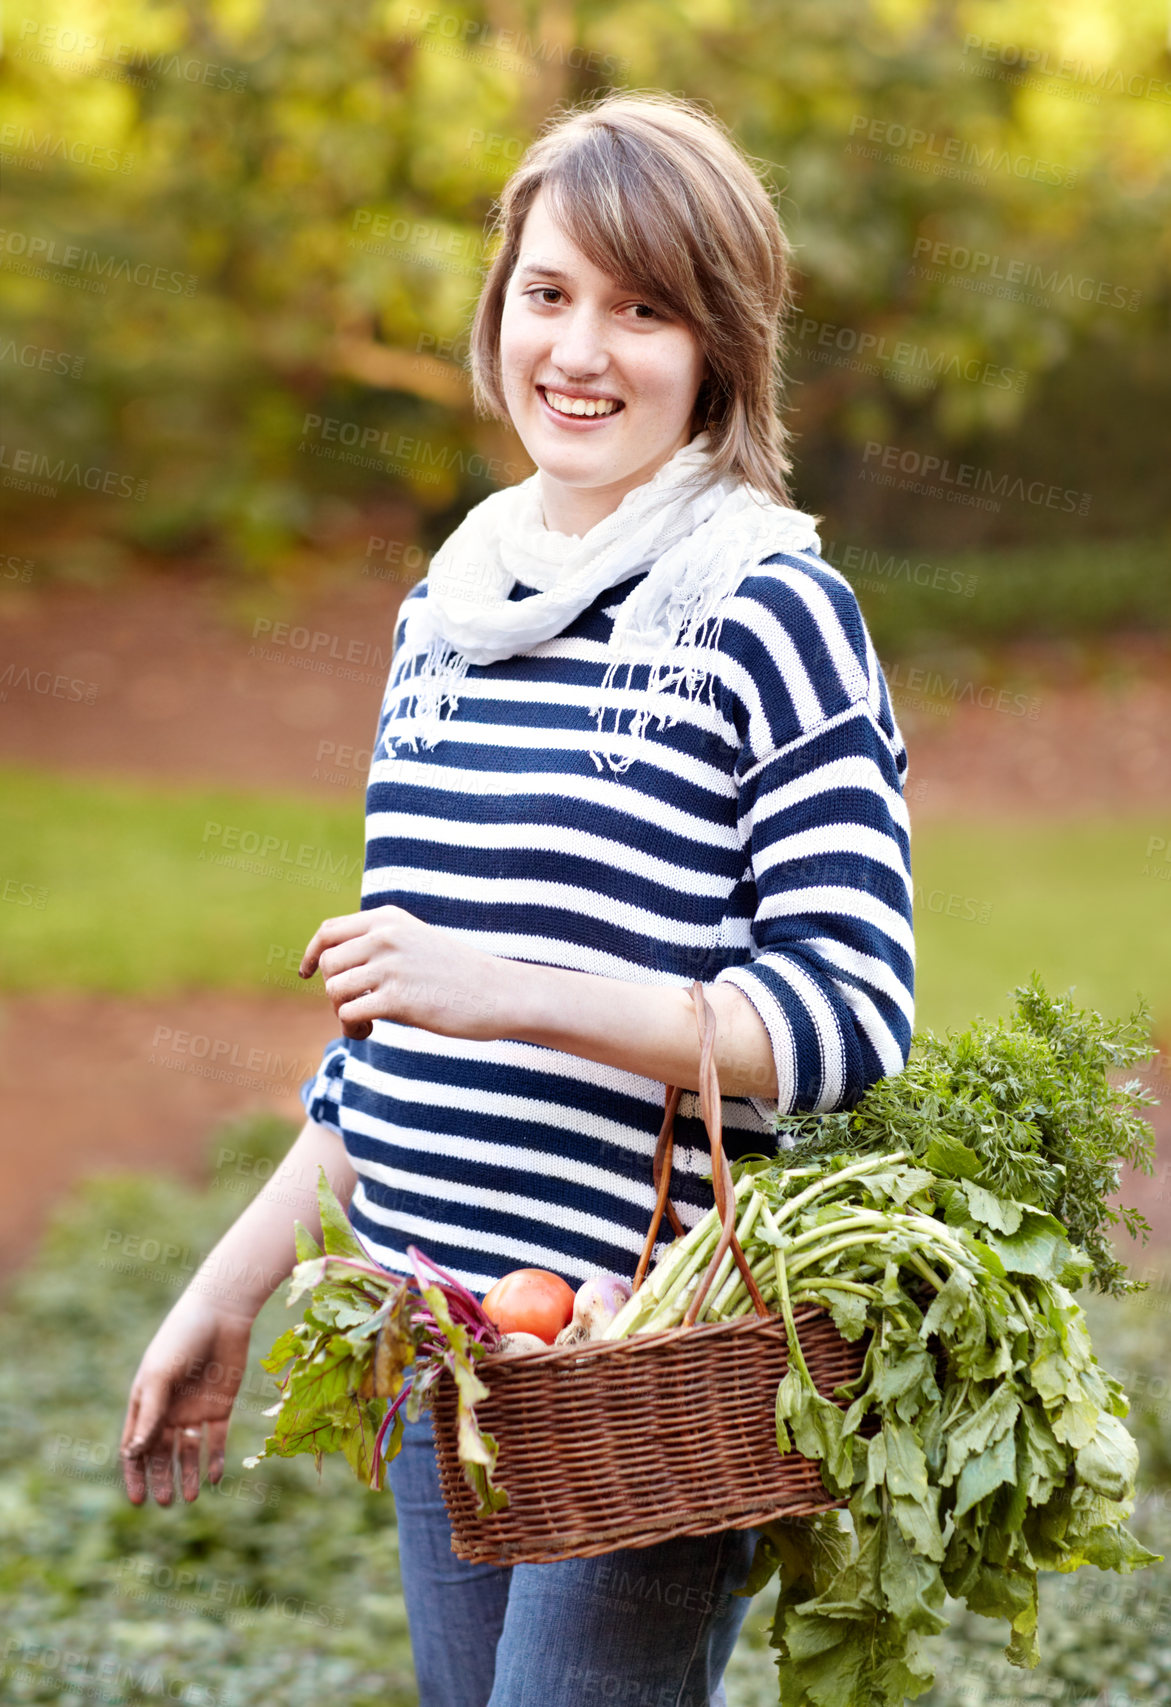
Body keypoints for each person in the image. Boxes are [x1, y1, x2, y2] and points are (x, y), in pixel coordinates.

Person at [120, 89, 915, 1707]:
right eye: (550, 293)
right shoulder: (451, 609)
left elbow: (850, 1016)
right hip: (447, 1343)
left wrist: (511, 986)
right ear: (499, 311)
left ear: (720, 350)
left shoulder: (770, 610)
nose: (581, 349)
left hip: (639, 1355)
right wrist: (229, 1286)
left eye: (643, 309)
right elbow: (393, 1043)